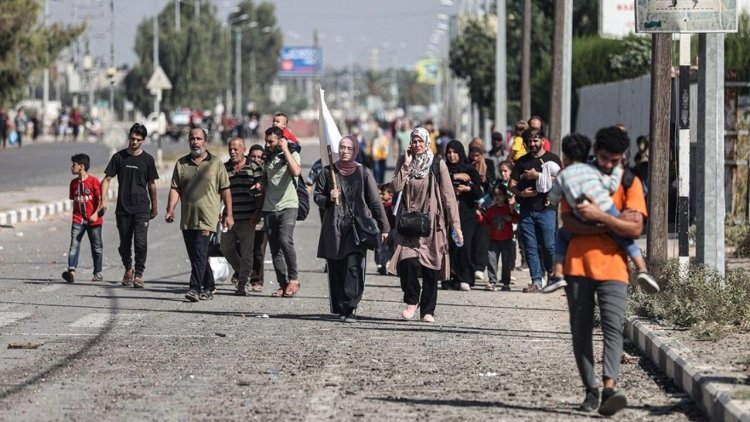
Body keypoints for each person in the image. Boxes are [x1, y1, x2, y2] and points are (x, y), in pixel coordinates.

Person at [560, 126, 648, 416]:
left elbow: (635, 227)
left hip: (614, 267)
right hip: (578, 264)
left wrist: (597, 217)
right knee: (580, 330)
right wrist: (612, 223)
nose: (609, 164)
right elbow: (568, 222)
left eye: (615, 159)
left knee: (613, 327)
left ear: (624, 157)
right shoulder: (579, 175)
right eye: (603, 157)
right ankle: (590, 390)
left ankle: (610, 387)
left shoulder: (630, 181)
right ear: (594, 151)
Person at [543, 133, 658, 294]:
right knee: (626, 238)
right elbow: (610, 185)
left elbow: (553, 198)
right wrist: (618, 171)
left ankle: (557, 274)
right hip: (607, 207)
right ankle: (642, 270)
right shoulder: (593, 172)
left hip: (582, 213)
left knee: (561, 236)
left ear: (564, 157)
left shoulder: (563, 175)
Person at [387, 127, 461, 323]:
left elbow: (448, 197)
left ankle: (428, 310)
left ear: (428, 143)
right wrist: (406, 164)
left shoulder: (438, 165)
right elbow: (395, 187)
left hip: (432, 227)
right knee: (408, 263)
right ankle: (412, 301)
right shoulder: (405, 163)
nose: (417, 144)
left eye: (421, 141)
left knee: (431, 268)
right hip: (409, 224)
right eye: (414, 141)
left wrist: (456, 226)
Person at [314, 136, 390, 322]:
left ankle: (350, 307)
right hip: (334, 228)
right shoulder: (327, 172)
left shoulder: (364, 172)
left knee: (353, 268)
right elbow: (317, 197)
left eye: (349, 148)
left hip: (357, 230)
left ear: (355, 150)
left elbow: (375, 202)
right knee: (337, 268)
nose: (345, 151)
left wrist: (384, 226)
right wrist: (328, 197)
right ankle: (340, 306)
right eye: (342, 148)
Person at [165, 127, 234, 302]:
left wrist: (228, 213)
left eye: (199, 138)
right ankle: (209, 286)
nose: (195, 142)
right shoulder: (181, 164)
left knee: (200, 252)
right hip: (188, 218)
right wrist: (170, 209)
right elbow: (175, 189)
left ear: (205, 141)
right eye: (192, 138)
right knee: (196, 256)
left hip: (207, 218)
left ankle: (194, 288)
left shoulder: (216, 163)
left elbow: (225, 190)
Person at [101, 123, 159, 288]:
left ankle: (139, 274)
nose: (134, 142)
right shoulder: (119, 158)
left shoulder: (148, 160)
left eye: (138, 140)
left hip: (141, 208)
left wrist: (154, 207)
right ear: (129, 137)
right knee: (124, 245)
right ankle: (128, 268)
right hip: (123, 209)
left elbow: (152, 184)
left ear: (143, 141)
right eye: (132, 138)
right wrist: (103, 200)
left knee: (140, 243)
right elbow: (106, 180)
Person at [509, 127, 562, 292]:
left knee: (549, 245)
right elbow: (512, 185)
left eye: (535, 140)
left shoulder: (552, 159)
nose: (532, 144)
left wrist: (537, 176)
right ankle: (536, 281)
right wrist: (521, 193)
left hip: (547, 209)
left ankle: (552, 274)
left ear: (543, 140)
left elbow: (559, 180)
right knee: (530, 246)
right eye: (529, 141)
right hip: (526, 210)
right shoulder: (522, 162)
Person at [221, 138, 265, 296]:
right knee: (225, 248)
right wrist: (222, 212)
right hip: (229, 217)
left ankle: (242, 284)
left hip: (248, 217)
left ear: (243, 150)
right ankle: (243, 271)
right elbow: (220, 191)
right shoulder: (224, 168)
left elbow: (262, 191)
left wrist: (258, 212)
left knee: (247, 252)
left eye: (236, 149)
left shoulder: (254, 167)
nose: (233, 152)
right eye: (230, 149)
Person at [263, 126, 302, 298]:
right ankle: (283, 284)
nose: (268, 144)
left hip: (289, 205)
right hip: (269, 207)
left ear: (280, 140)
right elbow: (266, 179)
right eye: (266, 141)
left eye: (271, 141)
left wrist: (285, 149)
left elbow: (296, 171)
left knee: (285, 240)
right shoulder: (267, 157)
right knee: (275, 249)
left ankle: (294, 279)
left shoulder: (292, 153)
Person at [445, 140, 482, 291]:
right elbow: (437, 182)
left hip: (466, 213)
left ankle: (465, 277)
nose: (452, 156)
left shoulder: (469, 169)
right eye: (449, 152)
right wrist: (455, 176)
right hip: (447, 215)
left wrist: (468, 188)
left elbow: (480, 190)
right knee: (449, 246)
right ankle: (449, 277)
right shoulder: (443, 169)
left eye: (455, 152)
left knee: (464, 245)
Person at [62, 154, 104, 283]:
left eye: (74, 165)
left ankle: (97, 272)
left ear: (81, 167)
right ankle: (71, 271)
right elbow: (74, 200)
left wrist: (96, 213)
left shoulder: (94, 181)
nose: (71, 167)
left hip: (94, 221)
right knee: (74, 245)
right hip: (78, 219)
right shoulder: (73, 184)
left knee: (96, 247)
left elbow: (101, 202)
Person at [478, 184, 518, 291]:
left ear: (505, 196)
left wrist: (510, 218)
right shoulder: (491, 209)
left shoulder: (508, 208)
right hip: (493, 239)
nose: (497, 197)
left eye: (500, 194)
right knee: (491, 260)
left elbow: (517, 219)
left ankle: (506, 283)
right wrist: (479, 216)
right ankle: (492, 281)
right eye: (495, 194)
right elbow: (485, 221)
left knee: (506, 262)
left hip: (507, 239)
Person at [468, 137, 496, 282]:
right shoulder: (465, 164)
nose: (475, 158)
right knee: (470, 237)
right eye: (472, 154)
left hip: (485, 206)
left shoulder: (488, 164)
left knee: (482, 237)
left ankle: (480, 267)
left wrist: (484, 179)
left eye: (478, 155)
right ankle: (471, 266)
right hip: (469, 205)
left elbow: (492, 185)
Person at [248, 145, 268, 291]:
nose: (256, 160)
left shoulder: (267, 173)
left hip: (262, 216)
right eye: (253, 157)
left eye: (260, 157)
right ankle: (240, 273)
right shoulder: (244, 172)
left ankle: (256, 280)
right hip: (244, 215)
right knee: (241, 247)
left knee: (259, 249)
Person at [376, 182, 396, 275]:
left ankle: (389, 265)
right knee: (382, 248)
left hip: (392, 230)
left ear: (391, 194)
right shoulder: (382, 206)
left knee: (391, 248)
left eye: (383, 194)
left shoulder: (393, 207)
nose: (381, 196)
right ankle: (382, 264)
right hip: (382, 230)